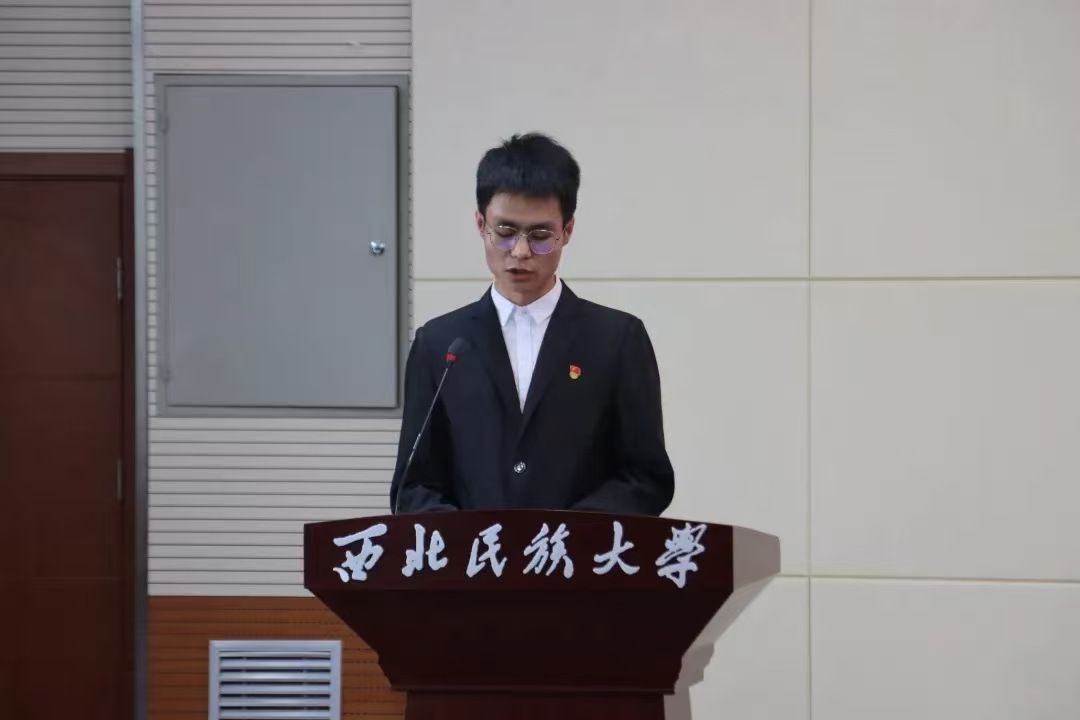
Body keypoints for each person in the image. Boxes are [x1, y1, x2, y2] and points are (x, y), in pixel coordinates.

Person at [389, 132, 674, 516]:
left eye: (540, 236)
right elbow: (413, 485)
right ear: (480, 223)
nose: (521, 252)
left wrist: (565, 534)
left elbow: (647, 478)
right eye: (505, 233)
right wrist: (469, 539)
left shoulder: (617, 339)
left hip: (578, 552)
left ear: (567, 231)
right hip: (473, 553)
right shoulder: (439, 344)